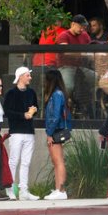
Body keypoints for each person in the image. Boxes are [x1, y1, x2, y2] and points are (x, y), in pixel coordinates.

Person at [3, 66, 39, 201]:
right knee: (14, 161)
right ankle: (10, 190)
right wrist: (23, 115)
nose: (30, 77)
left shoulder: (32, 93)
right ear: (20, 77)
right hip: (16, 132)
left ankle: (24, 191)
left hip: (29, 131)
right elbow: (7, 112)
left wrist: (33, 110)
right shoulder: (11, 93)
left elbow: (36, 106)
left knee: (26, 162)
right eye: (27, 75)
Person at [43, 69, 71, 200]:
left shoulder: (56, 95)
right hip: (55, 130)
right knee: (56, 161)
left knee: (58, 161)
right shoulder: (58, 94)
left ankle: (61, 190)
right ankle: (58, 189)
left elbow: (55, 115)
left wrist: (49, 133)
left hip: (56, 130)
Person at [56, 14, 95, 108]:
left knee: (97, 79)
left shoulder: (84, 35)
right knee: (68, 86)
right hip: (66, 66)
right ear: (72, 24)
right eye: (80, 26)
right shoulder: (63, 35)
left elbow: (91, 47)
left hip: (80, 67)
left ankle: (90, 104)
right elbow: (66, 52)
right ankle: (62, 105)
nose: (82, 29)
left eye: (84, 27)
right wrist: (84, 54)